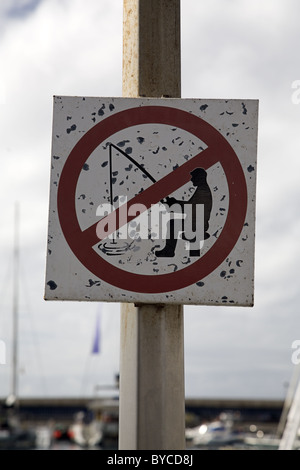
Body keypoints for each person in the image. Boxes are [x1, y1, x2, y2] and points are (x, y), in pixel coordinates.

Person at [155, 167, 212, 257]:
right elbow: (191, 205)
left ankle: (169, 251)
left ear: (199, 178)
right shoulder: (202, 189)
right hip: (196, 223)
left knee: (172, 223)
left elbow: (189, 207)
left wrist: (173, 204)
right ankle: (194, 257)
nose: (191, 179)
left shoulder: (202, 191)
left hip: (196, 225)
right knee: (194, 256)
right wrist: (174, 203)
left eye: (194, 177)